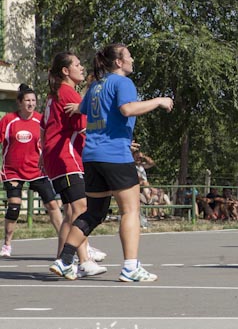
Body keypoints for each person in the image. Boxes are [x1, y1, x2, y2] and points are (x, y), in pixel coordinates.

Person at [50, 43, 173, 281]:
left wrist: (78, 108)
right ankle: (130, 267)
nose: (132, 59)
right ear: (118, 62)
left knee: (94, 213)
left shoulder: (97, 85)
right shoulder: (122, 83)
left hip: (92, 157)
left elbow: (83, 107)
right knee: (131, 211)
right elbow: (126, 109)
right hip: (115, 155)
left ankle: (64, 260)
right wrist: (159, 100)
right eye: (129, 56)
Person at [41, 52, 107, 277]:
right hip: (66, 158)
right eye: (77, 64)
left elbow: (44, 127)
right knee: (82, 209)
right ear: (65, 71)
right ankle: (84, 260)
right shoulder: (68, 93)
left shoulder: (54, 94)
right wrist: (114, 137)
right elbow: (85, 127)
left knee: (71, 212)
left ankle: (63, 260)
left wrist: (43, 154)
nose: (82, 67)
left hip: (57, 158)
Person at [0, 84, 63, 258]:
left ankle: (65, 241)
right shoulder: (8, 120)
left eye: (33, 100)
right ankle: (7, 244)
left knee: (52, 204)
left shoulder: (40, 120)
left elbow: (50, 142)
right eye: (27, 100)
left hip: (37, 170)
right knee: (14, 206)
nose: (31, 103)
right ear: (19, 102)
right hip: (12, 170)